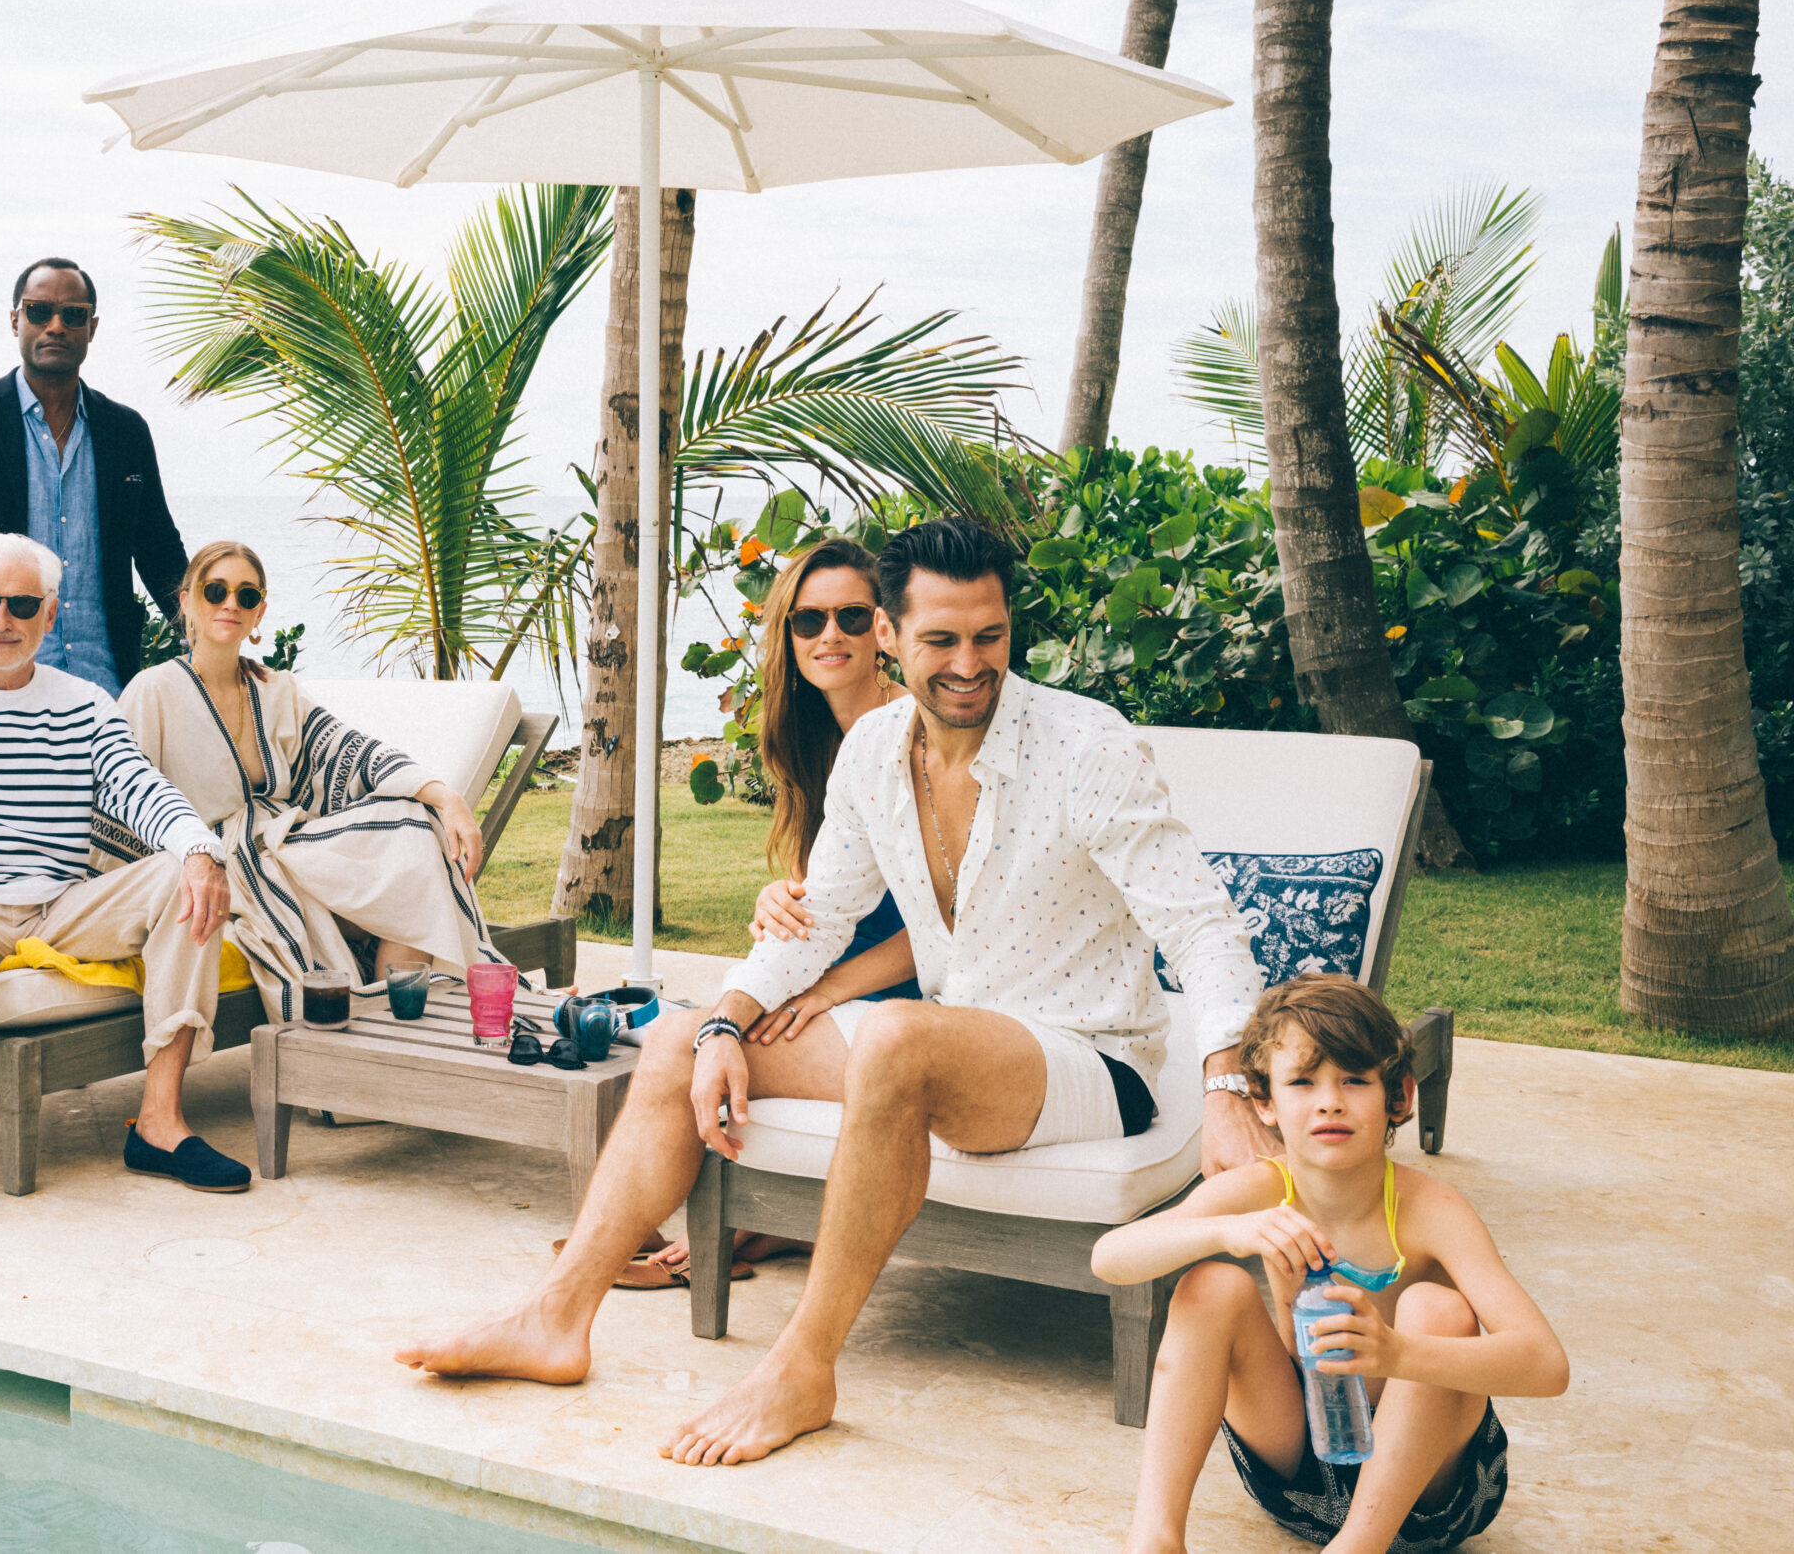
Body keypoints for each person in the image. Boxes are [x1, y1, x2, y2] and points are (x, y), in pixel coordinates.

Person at [396, 517, 1274, 1468]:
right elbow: (818, 917)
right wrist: (729, 1019)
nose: (970, 663)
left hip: (1090, 1056)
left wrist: (1226, 1087)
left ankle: (803, 1367)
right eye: (941, 639)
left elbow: (1203, 924)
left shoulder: (1086, 747)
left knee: (900, 1035)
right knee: (676, 1036)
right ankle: (555, 1317)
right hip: (949, 1038)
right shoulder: (873, 753)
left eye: (989, 635)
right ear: (893, 638)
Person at [0, 532, 250, 1209]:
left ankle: (160, 1120)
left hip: (52, 908)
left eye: (22, 604)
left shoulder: (83, 704)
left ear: (50, 616)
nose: (2, 619)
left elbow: (136, 785)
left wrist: (200, 850)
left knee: (189, 872)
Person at [1093, 974, 1567, 1554]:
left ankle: (1357, 1546)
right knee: (1208, 1285)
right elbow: (1109, 1258)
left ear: (1399, 1097)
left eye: (1354, 1079)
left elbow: (1547, 1365)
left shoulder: (1431, 1210)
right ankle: (1155, 1541)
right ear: (1264, 1103)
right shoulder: (1263, 1190)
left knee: (1435, 1308)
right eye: (1302, 1081)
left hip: (1428, 1497)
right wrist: (1228, 1229)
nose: (1329, 1100)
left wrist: (1398, 1353)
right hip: (1302, 1478)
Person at [624, 539, 915, 1287]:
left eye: (853, 616)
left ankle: (737, 1223)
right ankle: (745, 1224)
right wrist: (773, 897)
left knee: (705, 1040)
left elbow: (943, 929)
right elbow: (817, 887)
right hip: (841, 965)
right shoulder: (815, 740)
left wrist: (825, 991)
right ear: (787, 634)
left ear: (884, 629)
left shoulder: (911, 733)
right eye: (809, 620)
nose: (831, 636)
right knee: (700, 1025)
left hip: (908, 984)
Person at [117, 541, 495, 1000]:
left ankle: (403, 1018)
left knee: (419, 828)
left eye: (247, 595)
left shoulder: (276, 690)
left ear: (259, 613)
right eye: (214, 591)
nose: (230, 604)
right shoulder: (152, 690)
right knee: (413, 855)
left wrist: (447, 799)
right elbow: (124, 796)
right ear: (187, 600)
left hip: (283, 850)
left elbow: (353, 752)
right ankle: (456, 1001)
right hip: (212, 865)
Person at [0, 258, 188, 694]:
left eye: (73, 315)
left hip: (106, 684)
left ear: (92, 327)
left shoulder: (125, 432)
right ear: (15, 321)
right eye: (38, 311)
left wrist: (201, 633)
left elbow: (159, 549)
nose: (56, 326)